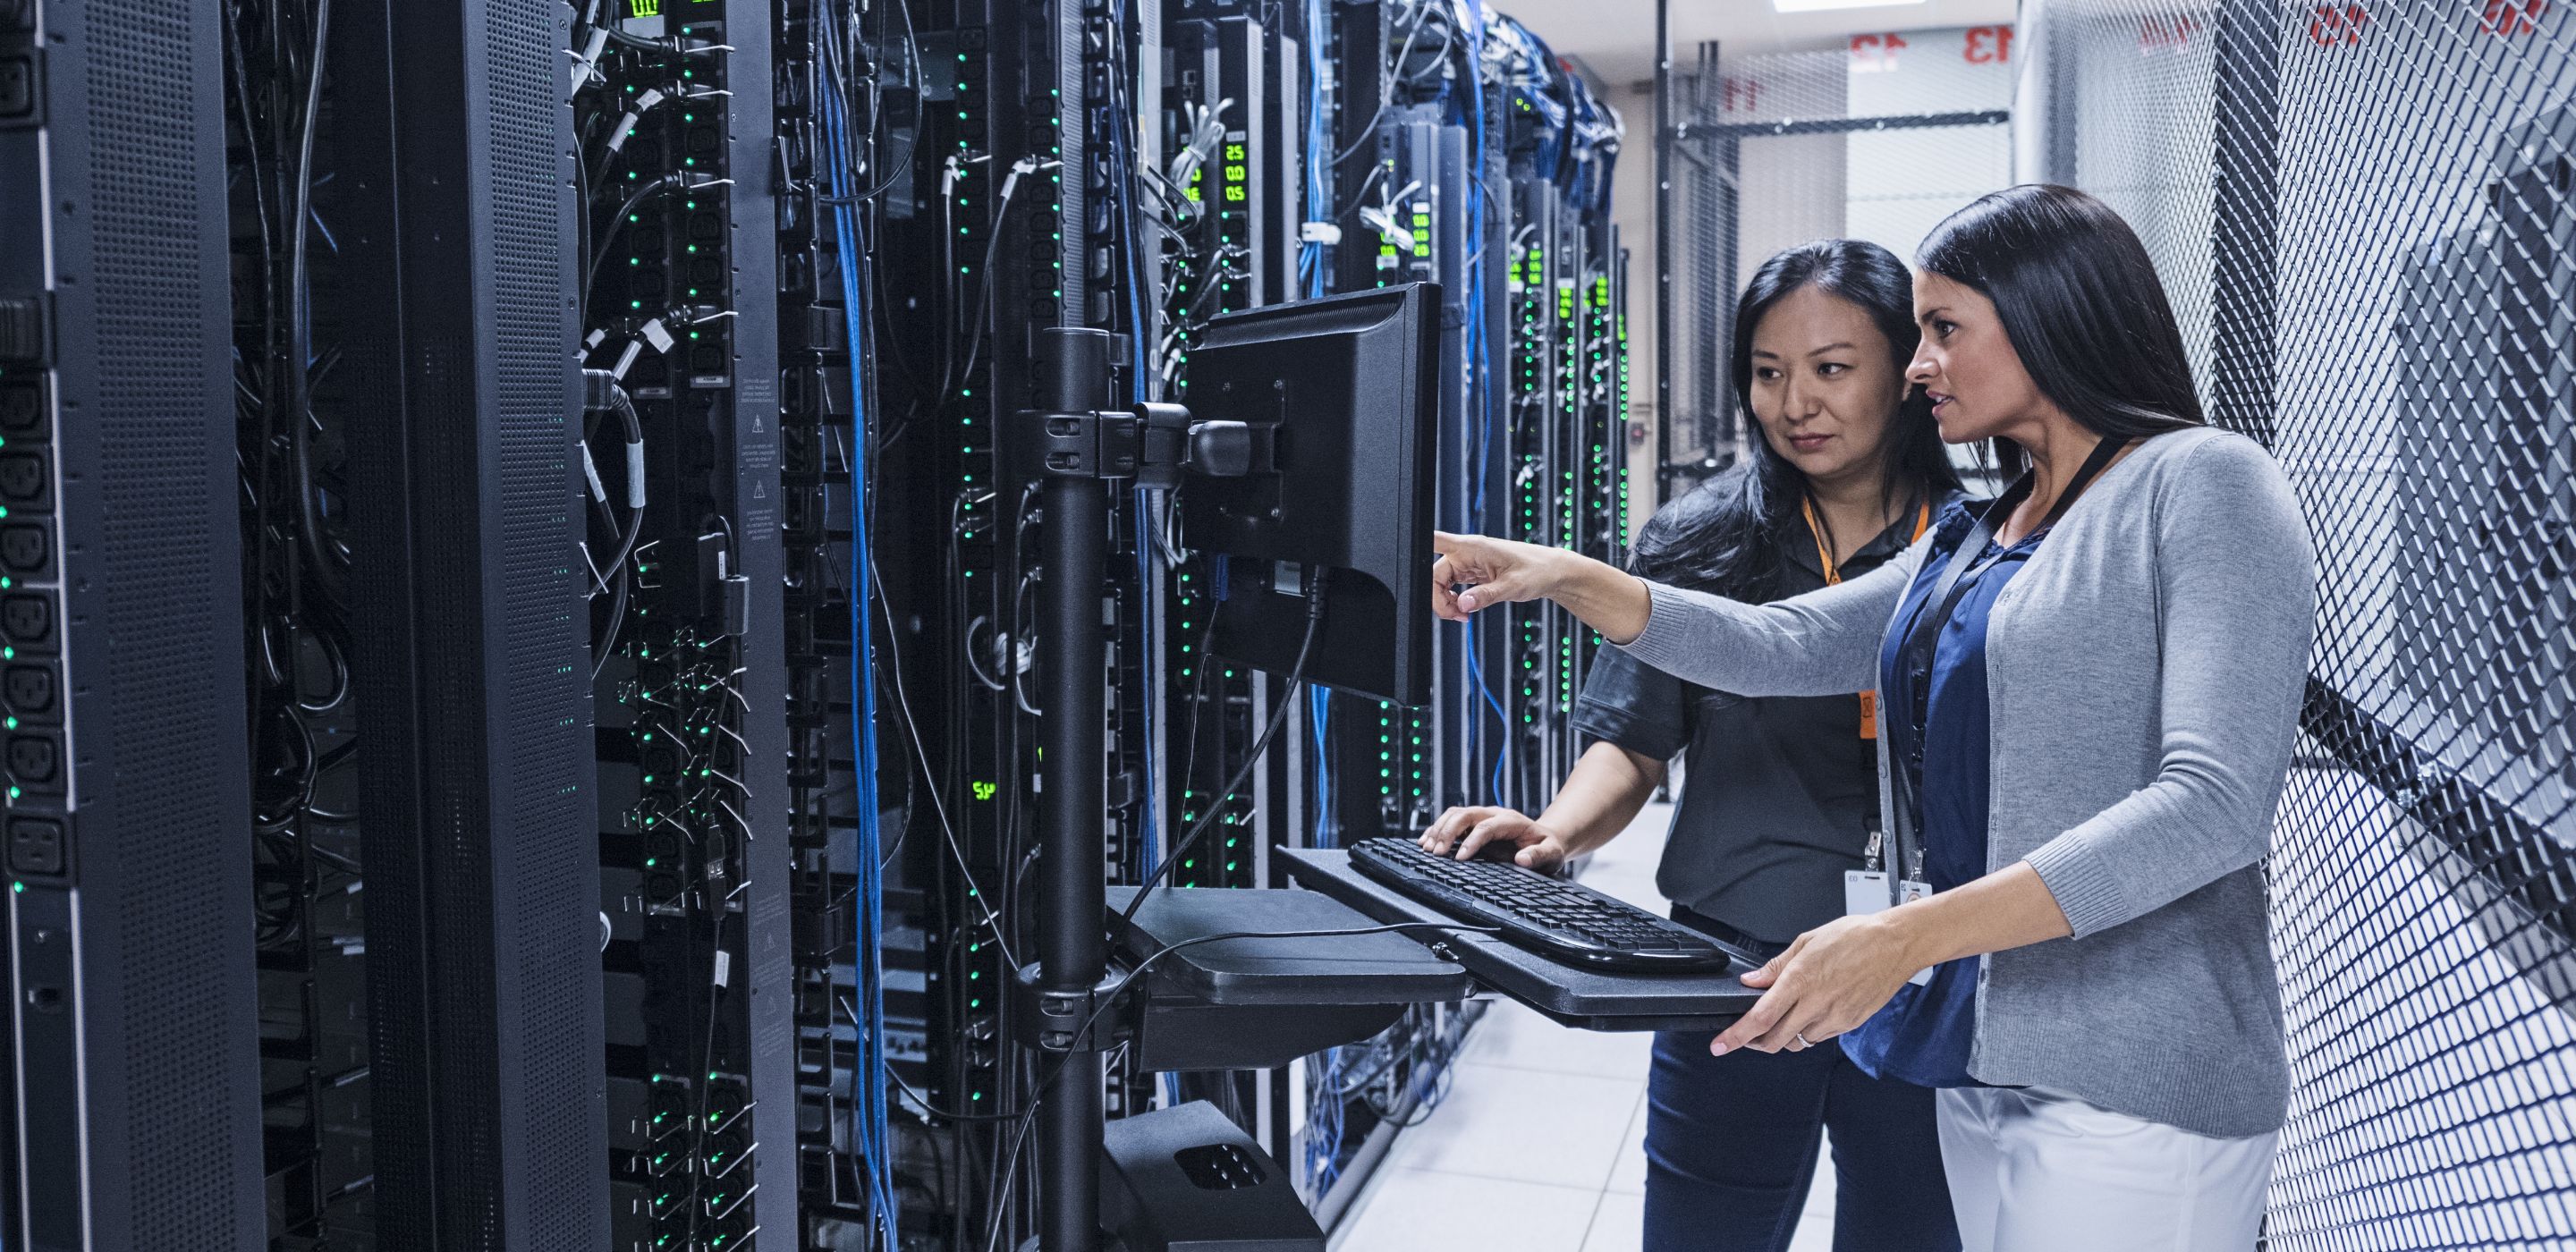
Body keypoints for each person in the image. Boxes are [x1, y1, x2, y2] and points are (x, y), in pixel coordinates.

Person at [1426, 185, 2316, 1252]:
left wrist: (1901, 936)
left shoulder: (2204, 481)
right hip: (1983, 1048)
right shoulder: (1988, 532)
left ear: (2049, 316)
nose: (1921, 363)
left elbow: (2211, 806)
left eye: (1944, 330)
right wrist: (1562, 575)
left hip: (2132, 1075)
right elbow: (1783, 644)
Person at [1422, 239, 1964, 1252]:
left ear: (1907, 367)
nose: (1795, 401)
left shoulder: (1979, 541)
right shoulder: (1698, 538)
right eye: (1768, 373)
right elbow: (1632, 743)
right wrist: (1555, 829)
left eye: (1831, 368)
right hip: (1733, 963)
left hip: (1920, 969)